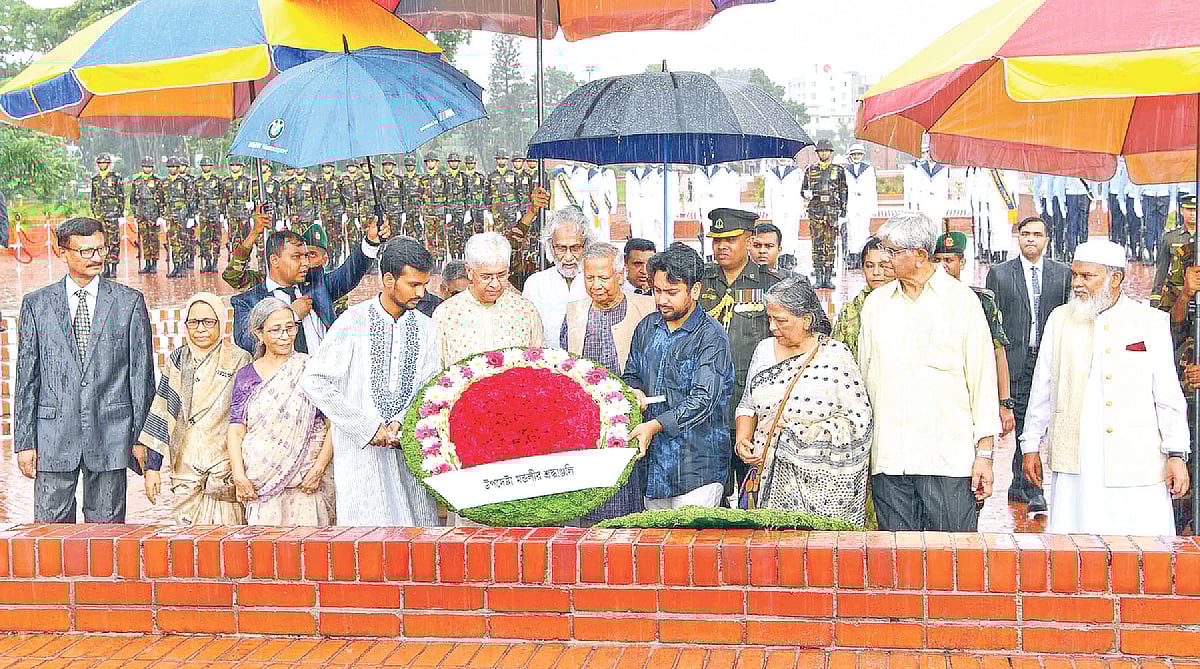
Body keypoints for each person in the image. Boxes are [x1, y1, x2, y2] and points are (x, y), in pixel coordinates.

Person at [1021, 239, 1190, 535]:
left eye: (1088, 276)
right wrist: (1030, 444)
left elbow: (1167, 395)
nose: (1078, 284)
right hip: (1077, 461)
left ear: (1115, 278)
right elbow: (1042, 388)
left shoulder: (1150, 322)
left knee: (1143, 553)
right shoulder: (1060, 320)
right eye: (1075, 275)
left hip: (1138, 459)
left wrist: (1176, 453)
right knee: (1076, 549)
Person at [858, 211, 999, 531]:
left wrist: (985, 455)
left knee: (953, 565)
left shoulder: (962, 302)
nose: (884, 259)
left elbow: (982, 383)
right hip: (890, 462)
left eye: (892, 252)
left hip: (948, 462)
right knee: (898, 567)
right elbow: (866, 383)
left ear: (921, 255)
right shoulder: (876, 306)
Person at [14, 217, 155, 523]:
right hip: (52, 437)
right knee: (50, 538)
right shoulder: (36, 305)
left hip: (111, 434)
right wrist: (25, 443)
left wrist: (143, 439)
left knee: (106, 538)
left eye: (101, 249)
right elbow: (27, 378)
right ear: (61, 251)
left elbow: (141, 378)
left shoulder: (129, 303)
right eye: (86, 251)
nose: (96, 258)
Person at [300, 237, 441, 526]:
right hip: (362, 456)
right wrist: (365, 427)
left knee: (418, 543)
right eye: (413, 284)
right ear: (389, 280)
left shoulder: (427, 328)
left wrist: (401, 422)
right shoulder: (354, 322)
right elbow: (314, 380)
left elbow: (427, 386)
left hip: (408, 452)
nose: (421, 293)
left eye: (424, 284)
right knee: (368, 544)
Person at [734, 277, 871, 524]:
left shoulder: (835, 356)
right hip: (767, 477)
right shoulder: (764, 350)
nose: (773, 327)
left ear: (807, 320)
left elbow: (859, 421)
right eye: (770, 319)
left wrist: (806, 433)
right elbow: (747, 405)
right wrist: (742, 440)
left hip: (825, 488)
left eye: (781, 320)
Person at [623, 243, 735, 509]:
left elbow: (703, 400)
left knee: (692, 549)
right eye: (657, 291)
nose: (662, 300)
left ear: (694, 290)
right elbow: (631, 374)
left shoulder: (711, 336)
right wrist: (634, 391)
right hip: (653, 468)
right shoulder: (647, 327)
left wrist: (655, 425)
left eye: (672, 292)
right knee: (656, 548)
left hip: (698, 468)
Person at [137, 292, 251, 525]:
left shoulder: (240, 360)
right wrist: (152, 468)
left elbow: (249, 419)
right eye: (193, 322)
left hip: (225, 468)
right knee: (187, 549)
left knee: (227, 544)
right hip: (186, 469)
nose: (200, 329)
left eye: (208, 322)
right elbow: (161, 412)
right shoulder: (178, 360)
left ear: (221, 322)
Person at [985, 216, 1071, 512]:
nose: (1031, 239)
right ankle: (1032, 487)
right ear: (1017, 237)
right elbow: (993, 321)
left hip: (1049, 357)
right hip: (1016, 358)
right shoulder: (1000, 274)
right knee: (1023, 419)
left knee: (1044, 417)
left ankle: (1019, 482)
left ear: (1047, 239)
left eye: (1037, 234)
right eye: (1025, 234)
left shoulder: (1063, 275)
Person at [227, 298, 336, 525]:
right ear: (259, 334)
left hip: (306, 485)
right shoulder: (246, 376)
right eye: (276, 330)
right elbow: (237, 429)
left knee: (309, 552)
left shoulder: (310, 369)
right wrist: (239, 476)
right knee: (265, 554)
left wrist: (318, 469)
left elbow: (332, 424)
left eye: (290, 328)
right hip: (261, 485)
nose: (285, 336)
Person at [699, 207, 781, 486]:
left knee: (755, 494)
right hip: (707, 411)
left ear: (748, 241)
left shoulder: (773, 285)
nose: (722, 246)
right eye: (717, 240)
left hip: (754, 409)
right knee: (711, 496)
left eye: (730, 239)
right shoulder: (699, 282)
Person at [231, 217, 381, 355]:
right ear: (275, 261)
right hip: (281, 380)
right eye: (297, 257)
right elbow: (247, 343)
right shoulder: (248, 301)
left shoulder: (317, 285)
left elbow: (350, 272)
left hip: (322, 377)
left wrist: (371, 242)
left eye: (306, 256)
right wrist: (291, 316)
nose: (305, 263)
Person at [932, 231, 1016, 438]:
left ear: (962, 262)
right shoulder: (926, 301)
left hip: (974, 396)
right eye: (938, 260)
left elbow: (998, 351)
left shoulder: (980, 300)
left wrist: (1005, 403)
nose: (943, 266)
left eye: (949, 260)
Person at [433, 231, 544, 367]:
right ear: (469, 271)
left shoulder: (525, 310)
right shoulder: (446, 313)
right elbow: (437, 371)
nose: (495, 284)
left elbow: (539, 366)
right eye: (486, 277)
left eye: (502, 275)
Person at [561, 242, 657, 373]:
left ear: (620, 276)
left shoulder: (648, 308)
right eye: (589, 278)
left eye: (603, 278)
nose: (596, 285)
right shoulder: (574, 313)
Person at [523, 207, 594, 338]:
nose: (568, 257)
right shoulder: (535, 284)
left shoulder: (597, 282)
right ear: (551, 247)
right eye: (561, 248)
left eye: (575, 248)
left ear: (586, 246)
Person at [831, 238, 894, 359]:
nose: (876, 272)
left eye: (883, 266)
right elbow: (836, 356)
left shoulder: (906, 305)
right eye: (869, 266)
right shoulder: (850, 311)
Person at [801, 139, 848, 289]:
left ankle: (828, 277)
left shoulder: (838, 170)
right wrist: (806, 194)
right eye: (821, 151)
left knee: (830, 245)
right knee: (817, 245)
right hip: (815, 212)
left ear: (831, 153)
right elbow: (803, 190)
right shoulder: (810, 170)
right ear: (817, 154)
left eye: (826, 151)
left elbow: (843, 190)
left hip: (831, 213)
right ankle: (818, 277)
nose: (824, 153)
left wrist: (844, 208)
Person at [1153, 193, 1197, 304]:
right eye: (1188, 209)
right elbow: (1161, 271)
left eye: (1195, 210)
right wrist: (1156, 298)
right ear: (1182, 211)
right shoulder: (1170, 237)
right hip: (1177, 294)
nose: (1192, 213)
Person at [90, 153, 124, 278]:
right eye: (100, 163)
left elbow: (121, 195)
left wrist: (120, 213)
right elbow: (93, 197)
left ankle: (114, 266)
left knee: (114, 240)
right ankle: (106, 267)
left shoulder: (115, 178)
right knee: (103, 241)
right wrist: (94, 211)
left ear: (109, 165)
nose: (102, 165)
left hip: (113, 213)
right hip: (100, 214)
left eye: (104, 163)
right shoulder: (95, 179)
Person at [844, 144, 877, 270]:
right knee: (852, 229)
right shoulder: (846, 170)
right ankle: (853, 256)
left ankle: (863, 255)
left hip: (864, 201)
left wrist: (873, 207)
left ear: (862, 155)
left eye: (858, 154)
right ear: (850, 156)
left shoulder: (868, 169)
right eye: (854, 154)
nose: (856, 156)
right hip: (851, 201)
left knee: (864, 229)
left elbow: (872, 189)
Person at [222, 158, 258, 268]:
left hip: (244, 214)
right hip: (231, 214)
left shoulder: (248, 181)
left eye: (237, 165)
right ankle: (236, 259)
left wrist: (252, 208)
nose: (235, 167)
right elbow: (223, 199)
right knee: (233, 238)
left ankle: (246, 260)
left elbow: (254, 198)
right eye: (232, 165)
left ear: (241, 166)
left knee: (245, 239)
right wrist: (223, 215)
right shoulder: (226, 182)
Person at [191, 156, 224, 274]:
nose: (206, 167)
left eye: (208, 165)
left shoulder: (218, 180)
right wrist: (194, 214)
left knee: (216, 239)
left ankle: (215, 262)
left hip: (215, 212)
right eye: (204, 165)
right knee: (205, 240)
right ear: (201, 167)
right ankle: (207, 262)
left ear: (211, 166)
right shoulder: (197, 181)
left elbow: (223, 197)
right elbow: (194, 199)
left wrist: (222, 213)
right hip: (203, 214)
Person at [163, 156, 194, 278]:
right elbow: (160, 199)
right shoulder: (164, 182)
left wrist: (191, 216)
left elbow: (191, 199)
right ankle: (176, 266)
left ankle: (183, 266)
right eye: (170, 167)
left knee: (183, 241)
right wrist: (162, 215)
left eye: (174, 167)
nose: (172, 169)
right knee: (173, 242)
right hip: (170, 216)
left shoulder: (185, 182)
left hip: (182, 216)